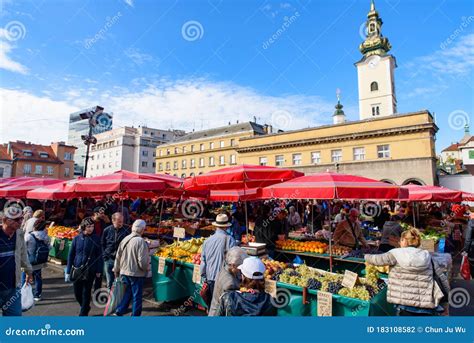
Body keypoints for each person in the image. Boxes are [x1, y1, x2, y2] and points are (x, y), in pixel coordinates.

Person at [365, 228, 450, 316]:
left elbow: (377, 260)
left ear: (404, 241)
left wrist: (365, 256)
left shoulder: (395, 254)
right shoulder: (427, 255)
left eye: (401, 240)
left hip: (405, 305)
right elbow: (442, 279)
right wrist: (446, 302)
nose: (399, 242)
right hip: (426, 306)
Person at [66, 217, 103, 316]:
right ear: (83, 227)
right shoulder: (77, 239)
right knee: (77, 293)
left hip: (90, 269)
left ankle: (83, 314)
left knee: (86, 292)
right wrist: (68, 270)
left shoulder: (96, 238)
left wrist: (99, 270)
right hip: (77, 268)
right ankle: (85, 306)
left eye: (92, 226)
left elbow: (100, 256)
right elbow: (71, 254)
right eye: (88, 226)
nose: (91, 228)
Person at [113, 219, 150, 316]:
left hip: (124, 271)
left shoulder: (125, 239)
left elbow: (118, 256)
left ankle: (120, 310)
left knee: (128, 291)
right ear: (142, 229)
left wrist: (116, 269)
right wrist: (146, 269)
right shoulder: (141, 241)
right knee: (137, 296)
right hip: (136, 273)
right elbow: (142, 261)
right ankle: (135, 315)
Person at [200, 214, 237, 307]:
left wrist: (203, 277)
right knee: (221, 308)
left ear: (216, 226)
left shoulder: (207, 240)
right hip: (223, 279)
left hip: (210, 279)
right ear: (226, 226)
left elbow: (203, 261)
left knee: (212, 307)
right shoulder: (230, 240)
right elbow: (233, 261)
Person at [0, 213, 33, 316]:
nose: (20, 221)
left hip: (13, 286)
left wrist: (28, 271)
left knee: (14, 319)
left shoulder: (19, 234)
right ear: (5, 220)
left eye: (21, 219)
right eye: (16, 219)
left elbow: (23, 255)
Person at [208, 247, 248, 316]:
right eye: (241, 267)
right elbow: (232, 306)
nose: (242, 269)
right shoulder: (230, 284)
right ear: (233, 265)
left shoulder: (225, 269)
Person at [101, 213, 131, 288]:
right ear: (113, 220)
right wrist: (105, 256)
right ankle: (110, 297)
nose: (121, 223)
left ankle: (120, 297)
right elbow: (102, 243)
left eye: (122, 221)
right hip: (109, 259)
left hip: (122, 260)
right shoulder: (107, 230)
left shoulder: (127, 230)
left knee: (121, 281)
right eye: (119, 221)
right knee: (110, 281)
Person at [23, 219, 51, 301]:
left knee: (24, 277)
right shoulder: (46, 236)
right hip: (39, 260)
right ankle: (37, 295)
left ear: (35, 226)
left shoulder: (29, 236)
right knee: (38, 278)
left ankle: (23, 294)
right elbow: (49, 247)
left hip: (29, 260)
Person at [462, 212, 474, 277]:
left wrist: (465, 250)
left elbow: (468, 239)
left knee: (472, 265)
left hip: (472, 248)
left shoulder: (471, 222)